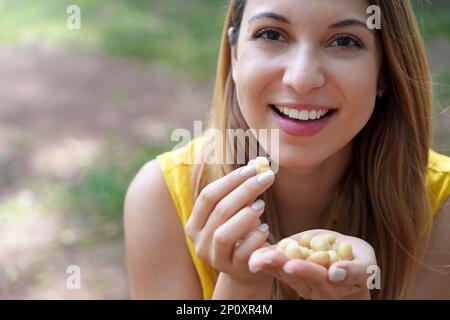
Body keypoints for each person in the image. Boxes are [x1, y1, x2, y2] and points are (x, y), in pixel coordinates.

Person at [124, 0, 450, 299]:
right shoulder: (162, 196)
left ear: (384, 72)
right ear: (235, 55)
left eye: (345, 41)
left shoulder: (441, 209)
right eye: (271, 34)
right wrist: (242, 285)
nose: (302, 78)